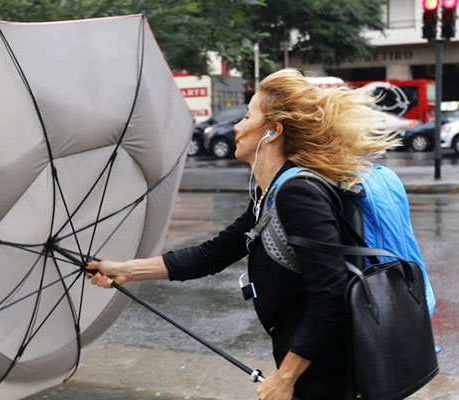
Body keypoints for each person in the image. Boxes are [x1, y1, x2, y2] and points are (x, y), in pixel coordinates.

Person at [87, 69, 398, 400]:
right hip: (311, 365)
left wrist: (286, 377)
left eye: (248, 115)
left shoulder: (298, 194)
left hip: (326, 372)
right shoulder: (271, 193)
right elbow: (211, 255)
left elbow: (331, 291)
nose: (237, 125)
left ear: (272, 131)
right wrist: (124, 269)